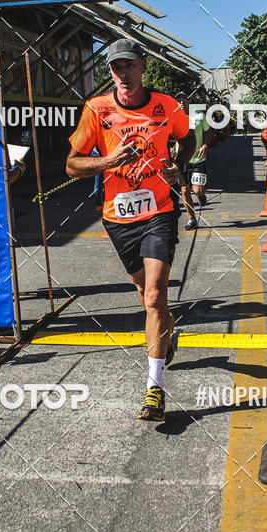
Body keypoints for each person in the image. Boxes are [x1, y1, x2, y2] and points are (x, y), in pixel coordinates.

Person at [66, 39, 195, 421]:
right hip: (117, 216)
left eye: (128, 65)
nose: (121, 74)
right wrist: (108, 160)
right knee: (145, 294)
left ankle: (154, 389)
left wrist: (178, 165)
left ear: (142, 66)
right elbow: (72, 164)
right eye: (114, 68)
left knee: (155, 296)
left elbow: (187, 140)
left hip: (159, 210)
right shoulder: (97, 109)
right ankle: (165, 334)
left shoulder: (166, 106)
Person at [176, 92, 212, 230]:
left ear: (189, 100)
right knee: (185, 191)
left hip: (197, 159)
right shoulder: (174, 116)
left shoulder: (199, 115)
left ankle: (201, 196)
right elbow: (170, 134)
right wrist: (172, 147)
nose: (181, 102)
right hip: (182, 160)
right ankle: (192, 219)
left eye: (183, 99)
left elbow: (208, 131)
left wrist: (205, 145)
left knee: (197, 190)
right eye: (178, 99)